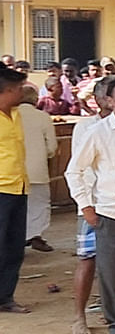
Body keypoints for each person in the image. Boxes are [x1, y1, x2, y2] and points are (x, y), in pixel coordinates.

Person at [66, 76, 115, 334]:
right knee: (113, 273)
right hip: (110, 211)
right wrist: (86, 206)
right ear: (109, 101)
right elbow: (74, 170)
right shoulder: (97, 133)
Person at [0, 65, 30, 314]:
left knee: (14, 246)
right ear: (6, 90)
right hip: (0, 189)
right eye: (19, 88)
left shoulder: (17, 113)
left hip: (19, 187)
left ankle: (6, 297)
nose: (23, 92)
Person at [20, 84, 58, 253]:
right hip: (37, 169)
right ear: (35, 100)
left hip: (10, 171)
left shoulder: (8, 116)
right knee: (39, 204)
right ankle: (35, 235)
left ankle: (16, 238)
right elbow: (52, 147)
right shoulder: (42, 117)